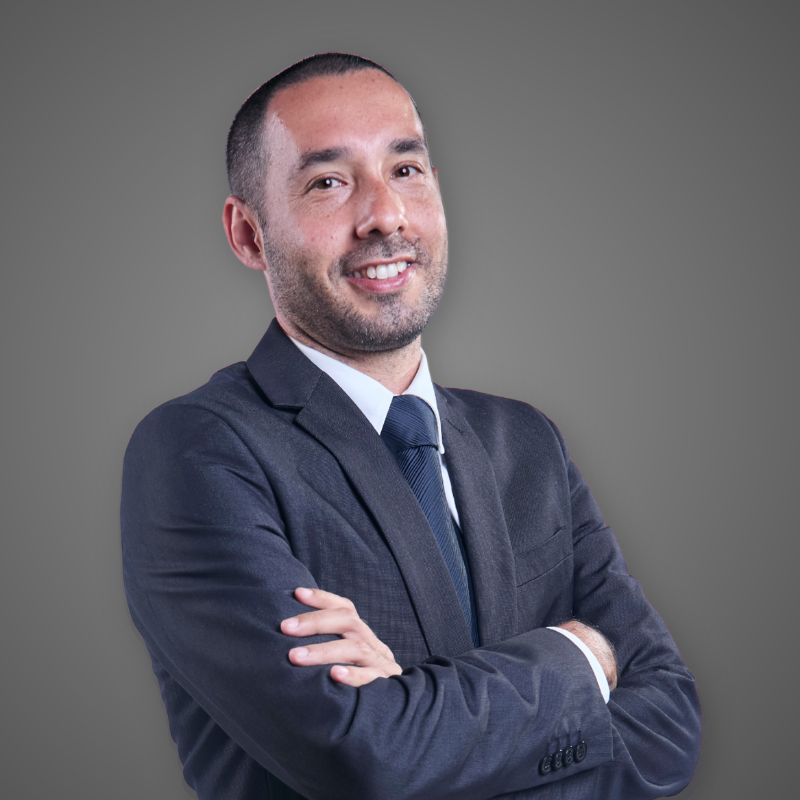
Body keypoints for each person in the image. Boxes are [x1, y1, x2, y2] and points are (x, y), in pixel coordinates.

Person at [121, 53, 701, 800]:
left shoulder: (526, 443)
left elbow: (672, 726)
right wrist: (581, 657)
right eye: (329, 182)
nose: (385, 215)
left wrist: (416, 716)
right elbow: (362, 761)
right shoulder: (200, 455)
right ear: (249, 236)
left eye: (406, 170)